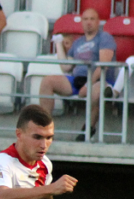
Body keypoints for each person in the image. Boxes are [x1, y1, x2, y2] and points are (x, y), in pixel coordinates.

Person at [38, 9, 115, 142]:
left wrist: (88, 84)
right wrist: (58, 44)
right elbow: (65, 67)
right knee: (47, 81)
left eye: (92, 19)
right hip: (77, 79)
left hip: (99, 79)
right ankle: (45, 129)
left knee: (96, 92)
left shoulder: (105, 38)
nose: (89, 22)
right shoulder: (78, 42)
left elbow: (103, 65)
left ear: (98, 22)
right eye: (85, 19)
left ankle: (88, 129)